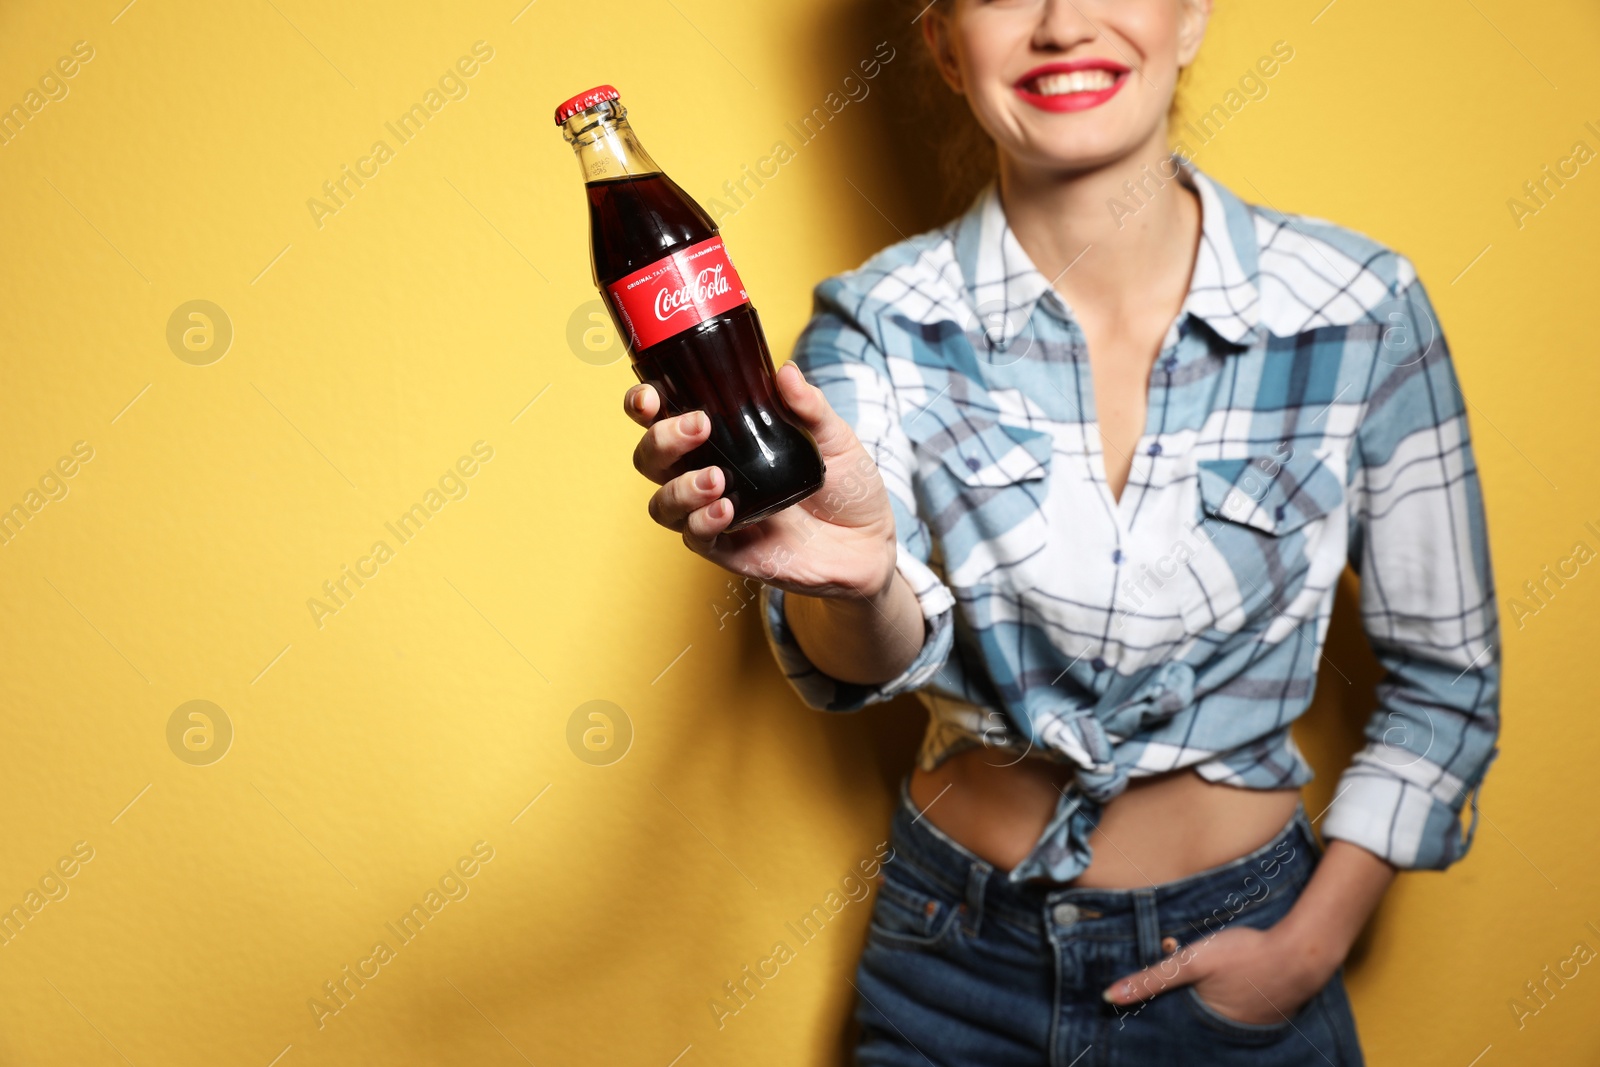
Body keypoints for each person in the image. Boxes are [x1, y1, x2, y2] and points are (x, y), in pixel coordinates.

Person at [622, 1, 1500, 1062]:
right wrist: (857, 582)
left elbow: (1446, 677)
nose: (1061, 22)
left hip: (1245, 952)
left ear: (1190, 17)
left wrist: (1307, 946)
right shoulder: (874, 325)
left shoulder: (1358, 307)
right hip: (947, 964)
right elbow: (868, 643)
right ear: (944, 45)